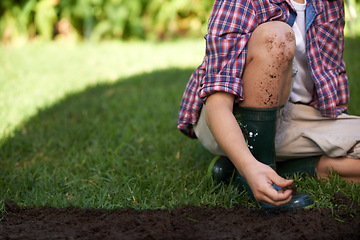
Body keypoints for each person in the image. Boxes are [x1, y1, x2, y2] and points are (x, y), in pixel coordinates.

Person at [177, 0, 360, 208]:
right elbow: (217, 106)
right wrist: (249, 166)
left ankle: (260, 169)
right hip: (232, 119)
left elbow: (329, 79)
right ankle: (254, 169)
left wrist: (338, 141)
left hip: (299, 117)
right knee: (277, 36)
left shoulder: (328, 3)